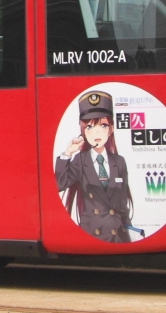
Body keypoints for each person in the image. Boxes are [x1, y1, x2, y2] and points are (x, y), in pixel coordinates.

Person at [54, 88, 137, 243]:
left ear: (111, 129)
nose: (96, 133)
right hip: (91, 233)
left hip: (117, 234)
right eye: (89, 127)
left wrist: (128, 234)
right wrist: (67, 153)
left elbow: (122, 205)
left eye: (103, 126)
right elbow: (59, 184)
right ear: (82, 130)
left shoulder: (119, 162)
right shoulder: (80, 161)